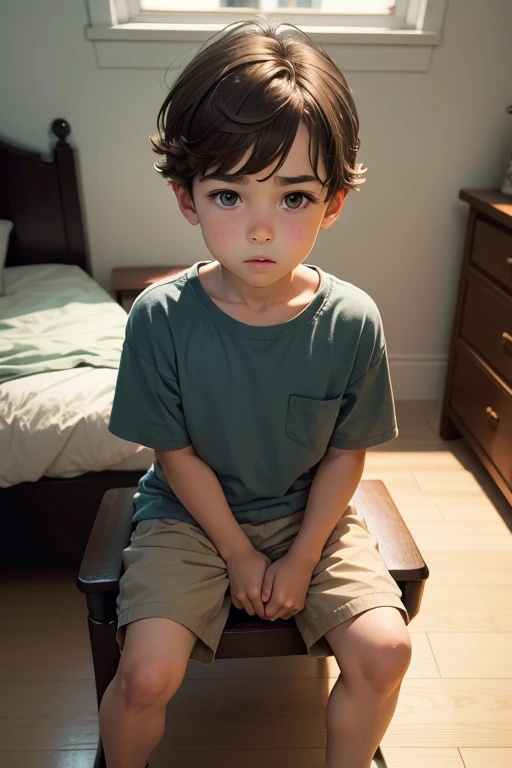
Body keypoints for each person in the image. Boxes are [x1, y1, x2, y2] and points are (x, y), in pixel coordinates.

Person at [102, 18, 412, 768]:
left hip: (311, 513)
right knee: (145, 673)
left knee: (386, 650)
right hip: (189, 518)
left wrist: (301, 557)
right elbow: (172, 453)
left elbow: (346, 452)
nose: (262, 229)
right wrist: (239, 553)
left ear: (334, 201)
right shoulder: (161, 317)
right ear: (187, 199)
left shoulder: (351, 319)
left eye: (294, 197)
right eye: (229, 196)